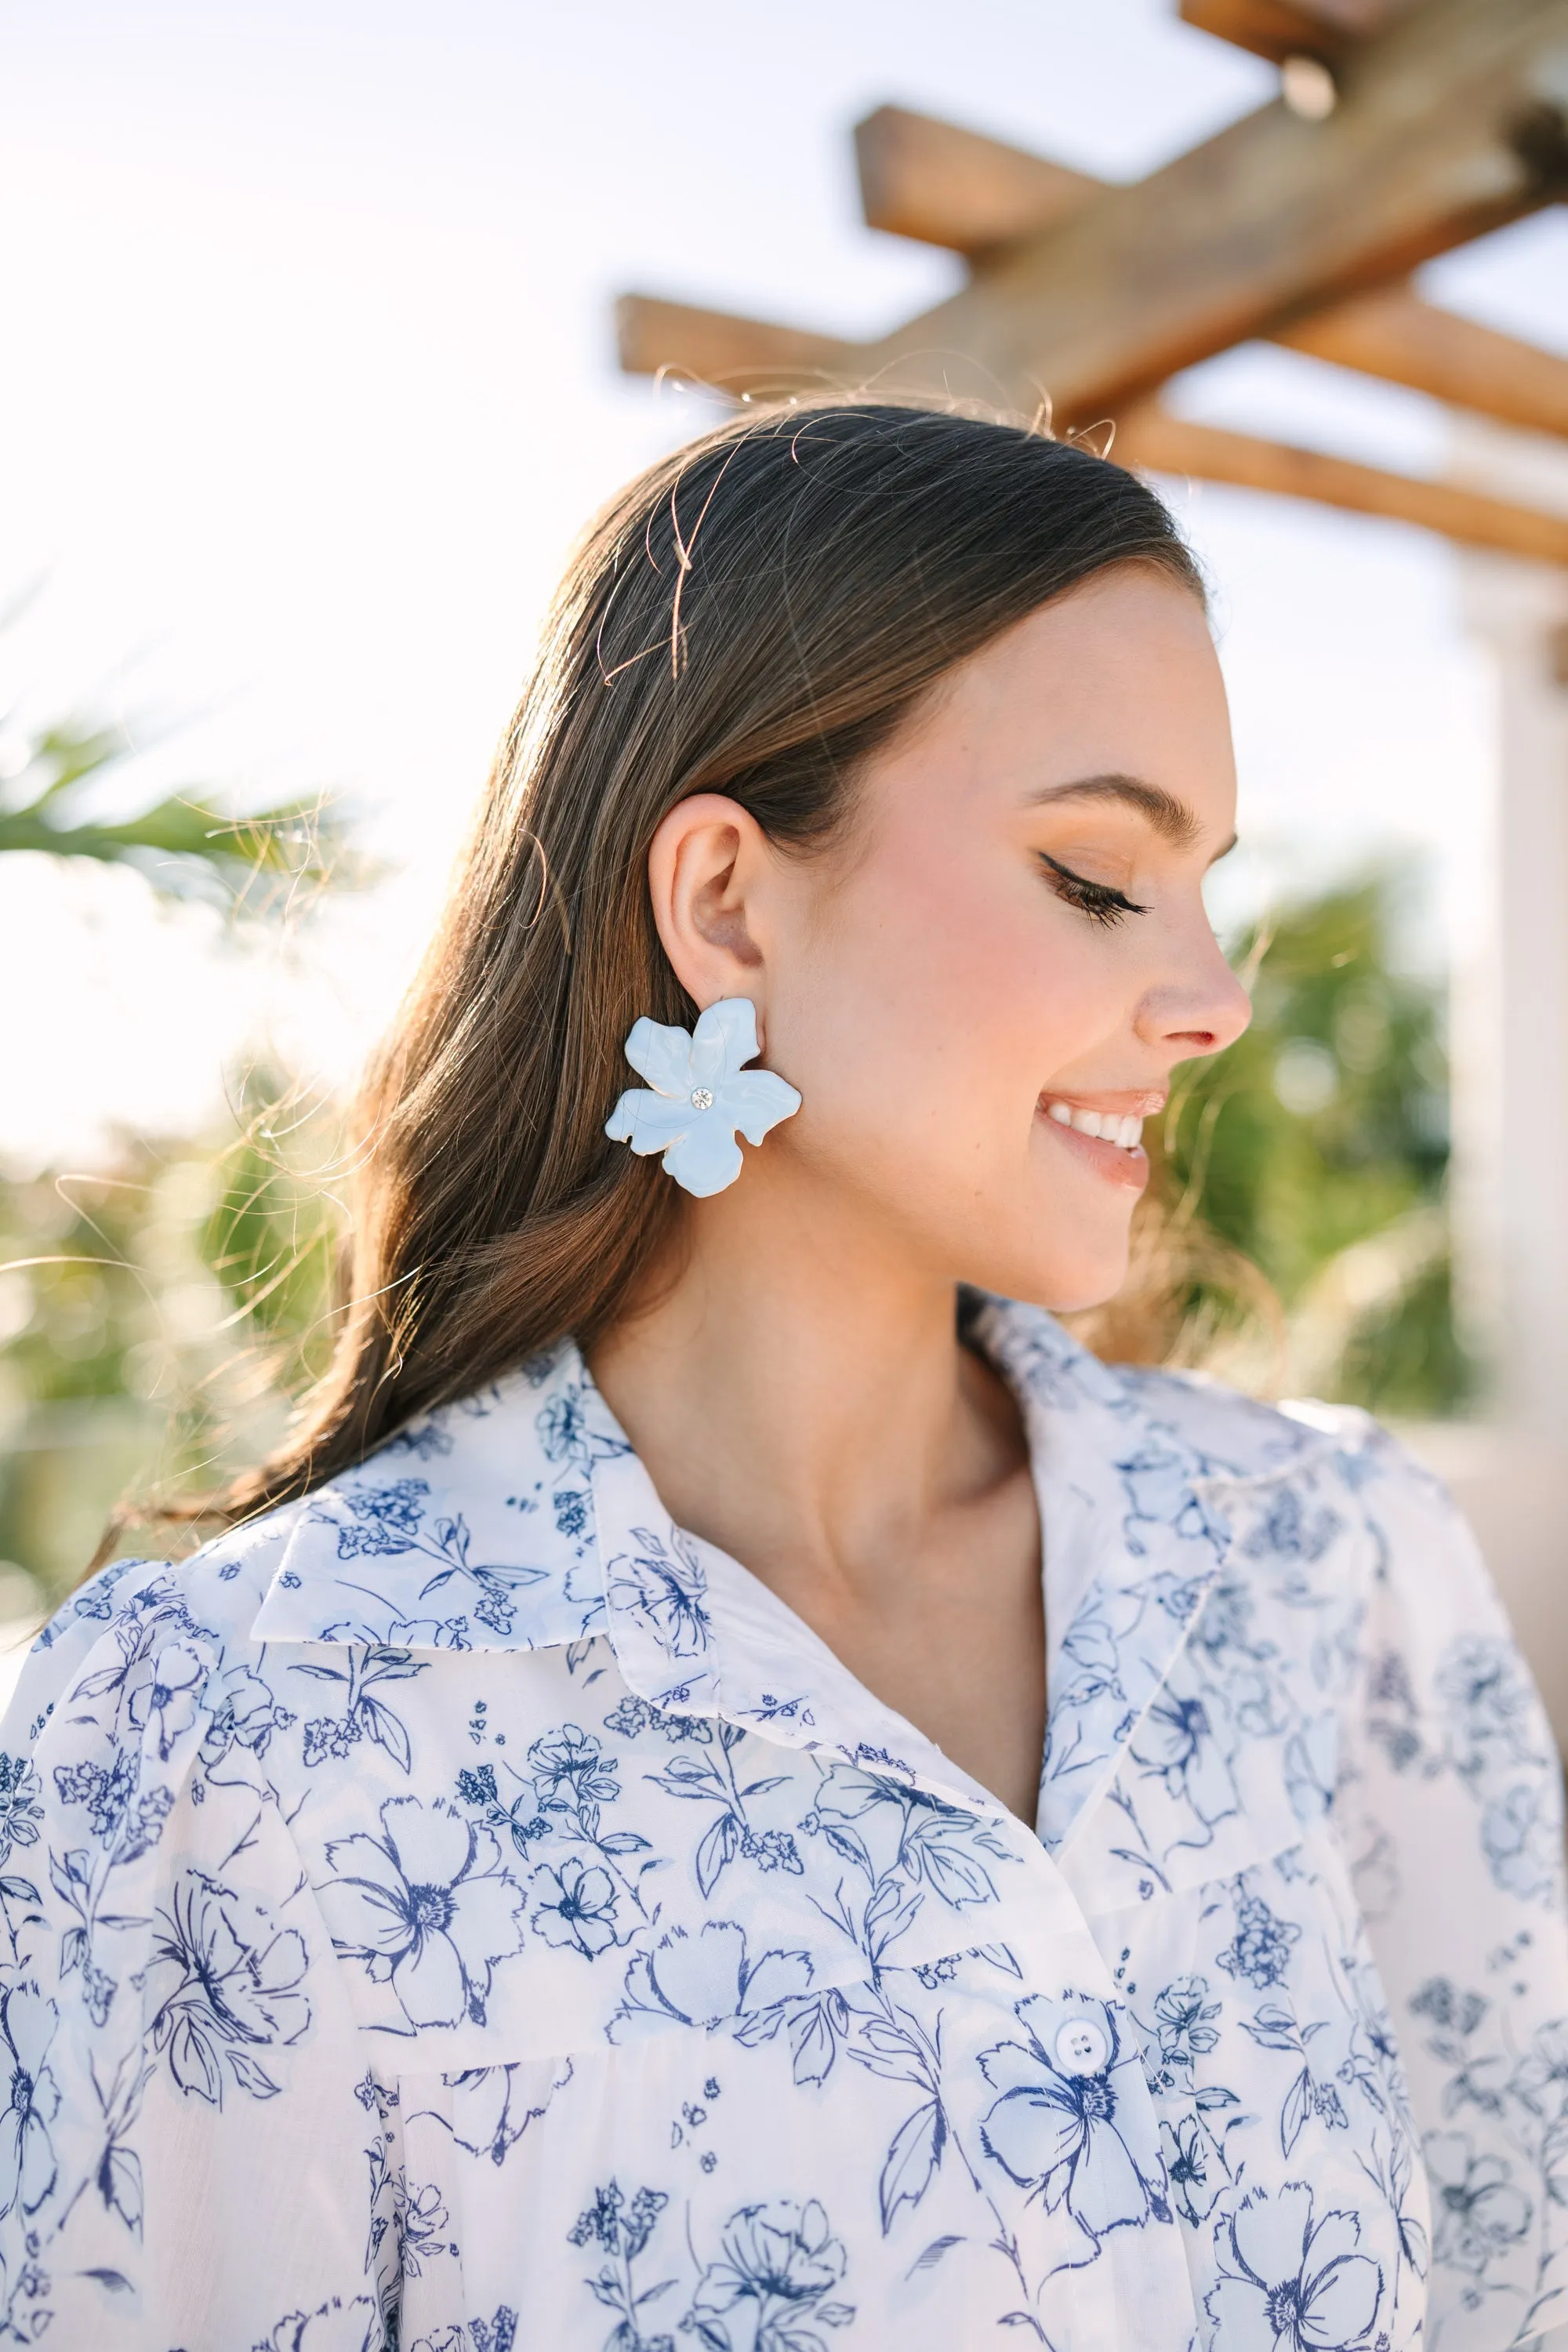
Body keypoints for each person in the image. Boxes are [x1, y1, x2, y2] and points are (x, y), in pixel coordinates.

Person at [2, 401, 1563, 2352]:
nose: (1217, 993)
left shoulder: (1333, 1574)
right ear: (726, 899)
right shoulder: (237, 1748)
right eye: (1100, 873)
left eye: (1207, 882)